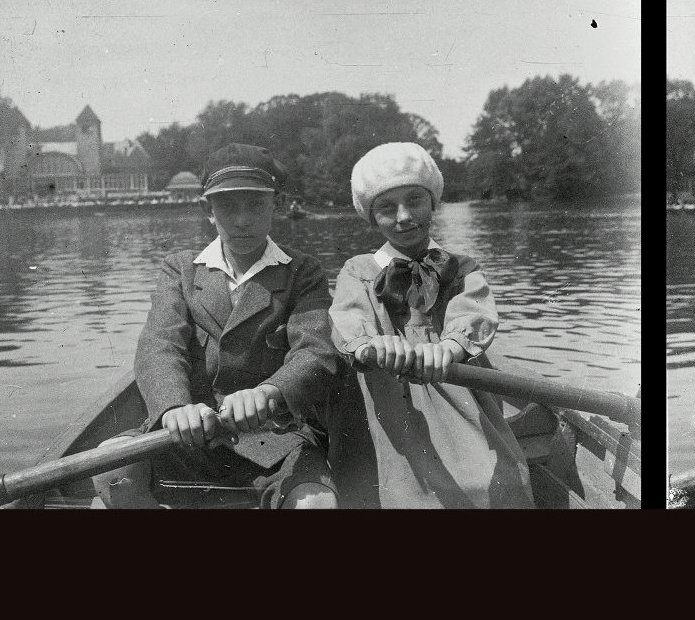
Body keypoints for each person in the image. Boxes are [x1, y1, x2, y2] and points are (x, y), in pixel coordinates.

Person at [90, 144, 345, 508]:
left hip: (275, 439)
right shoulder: (180, 269)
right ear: (208, 210)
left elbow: (316, 353)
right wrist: (173, 408)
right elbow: (160, 345)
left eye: (256, 204)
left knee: (316, 504)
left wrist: (268, 392)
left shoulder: (303, 271)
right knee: (111, 471)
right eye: (227, 206)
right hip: (188, 437)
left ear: (276, 204)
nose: (242, 220)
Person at [326, 142, 534, 508]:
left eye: (415, 200)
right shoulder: (358, 272)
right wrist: (372, 345)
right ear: (371, 217)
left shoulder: (461, 267)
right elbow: (348, 320)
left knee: (495, 480)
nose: (404, 216)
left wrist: (450, 347)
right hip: (391, 400)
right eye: (386, 208)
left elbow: (474, 313)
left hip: (458, 385)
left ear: (433, 202)